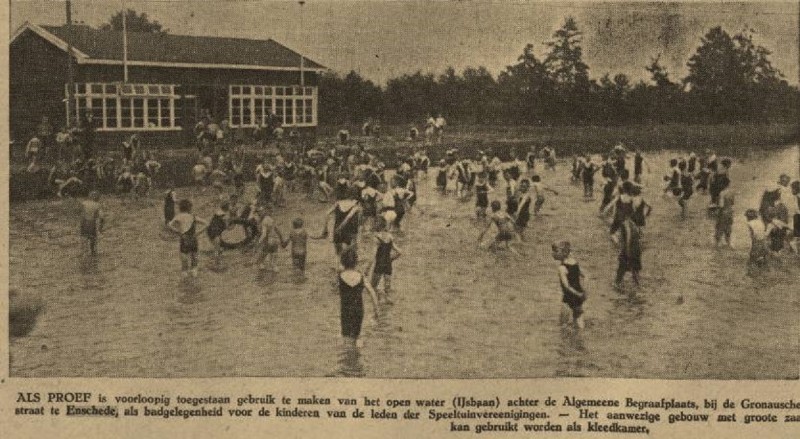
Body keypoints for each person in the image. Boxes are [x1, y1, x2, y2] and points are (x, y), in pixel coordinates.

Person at [337, 247, 380, 348]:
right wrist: (376, 311)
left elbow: (339, 268)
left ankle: (346, 357)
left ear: (343, 261)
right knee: (357, 336)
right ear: (356, 261)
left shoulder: (340, 276)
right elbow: (372, 293)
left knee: (346, 336)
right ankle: (358, 355)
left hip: (346, 310)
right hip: (358, 310)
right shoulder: (361, 277)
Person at [168, 199, 208, 279]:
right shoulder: (193, 216)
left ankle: (185, 274)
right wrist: (199, 232)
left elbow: (169, 225)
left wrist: (177, 231)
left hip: (184, 239)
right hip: (193, 239)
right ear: (189, 208)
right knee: (194, 257)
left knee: (184, 259)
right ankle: (194, 272)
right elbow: (206, 223)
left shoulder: (179, 216)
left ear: (180, 208)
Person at [551, 241, 587, 329]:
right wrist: (583, 291)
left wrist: (577, 293)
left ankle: (567, 341)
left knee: (563, 324)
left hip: (568, 298)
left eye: (555, 251)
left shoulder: (562, 268)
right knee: (579, 322)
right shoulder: (575, 263)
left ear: (564, 253)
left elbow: (566, 287)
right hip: (579, 296)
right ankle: (579, 340)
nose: (552, 253)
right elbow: (585, 275)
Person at [367, 217, 402, 305]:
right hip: (388, 265)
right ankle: (385, 304)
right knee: (387, 290)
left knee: (372, 287)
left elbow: (372, 257)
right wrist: (391, 259)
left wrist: (367, 269)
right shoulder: (390, 237)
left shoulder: (376, 238)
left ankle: (378, 304)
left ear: (377, 225)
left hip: (379, 265)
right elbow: (399, 252)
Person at [613, 218, 642, 290]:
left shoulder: (624, 225)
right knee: (635, 267)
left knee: (622, 266)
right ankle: (637, 283)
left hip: (629, 249)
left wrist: (627, 251)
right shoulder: (632, 223)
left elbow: (627, 239)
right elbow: (639, 236)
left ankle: (617, 283)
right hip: (636, 249)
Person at [255, 205, 284, 272]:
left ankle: (261, 264)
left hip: (268, 239)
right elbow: (277, 229)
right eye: (258, 212)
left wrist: (259, 241)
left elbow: (264, 234)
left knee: (264, 251)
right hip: (275, 239)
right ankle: (274, 266)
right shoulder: (270, 218)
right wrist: (281, 238)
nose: (259, 214)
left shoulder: (264, 221)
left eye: (260, 212)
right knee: (273, 253)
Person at [206, 200, 230, 268]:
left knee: (218, 248)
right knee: (217, 249)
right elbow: (228, 227)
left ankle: (217, 261)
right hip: (215, 233)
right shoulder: (224, 216)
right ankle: (216, 264)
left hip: (210, 231)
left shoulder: (217, 213)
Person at [80, 191, 104, 257]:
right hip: (91, 222)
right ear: (97, 198)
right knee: (93, 238)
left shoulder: (84, 203)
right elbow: (101, 217)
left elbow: (80, 213)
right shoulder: (97, 205)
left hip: (84, 222)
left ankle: (84, 253)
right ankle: (93, 253)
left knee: (84, 237)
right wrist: (101, 227)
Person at [745, 209, 768, 275]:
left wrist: (753, 244)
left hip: (757, 241)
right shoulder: (760, 221)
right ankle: (762, 270)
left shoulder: (750, 223)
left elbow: (753, 235)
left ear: (748, 217)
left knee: (752, 258)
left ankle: (751, 273)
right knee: (761, 256)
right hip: (763, 241)